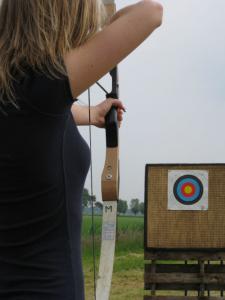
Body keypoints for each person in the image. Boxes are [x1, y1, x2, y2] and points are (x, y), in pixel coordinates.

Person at [0, 0, 163, 299]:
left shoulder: (16, 89)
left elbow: (41, 115)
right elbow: (152, 13)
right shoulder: (45, 86)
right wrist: (98, 13)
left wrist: (92, 114)